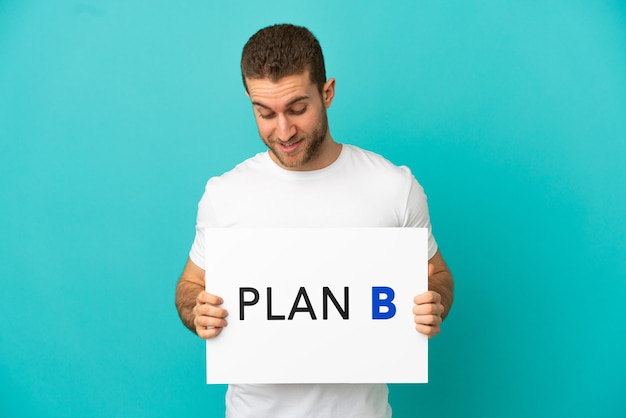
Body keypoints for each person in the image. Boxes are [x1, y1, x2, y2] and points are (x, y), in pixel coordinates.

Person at [175, 23, 454, 418]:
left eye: (297, 109)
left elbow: (437, 275)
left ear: (327, 93)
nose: (283, 130)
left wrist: (434, 303)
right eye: (265, 113)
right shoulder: (224, 195)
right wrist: (196, 309)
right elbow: (190, 285)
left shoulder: (393, 187)